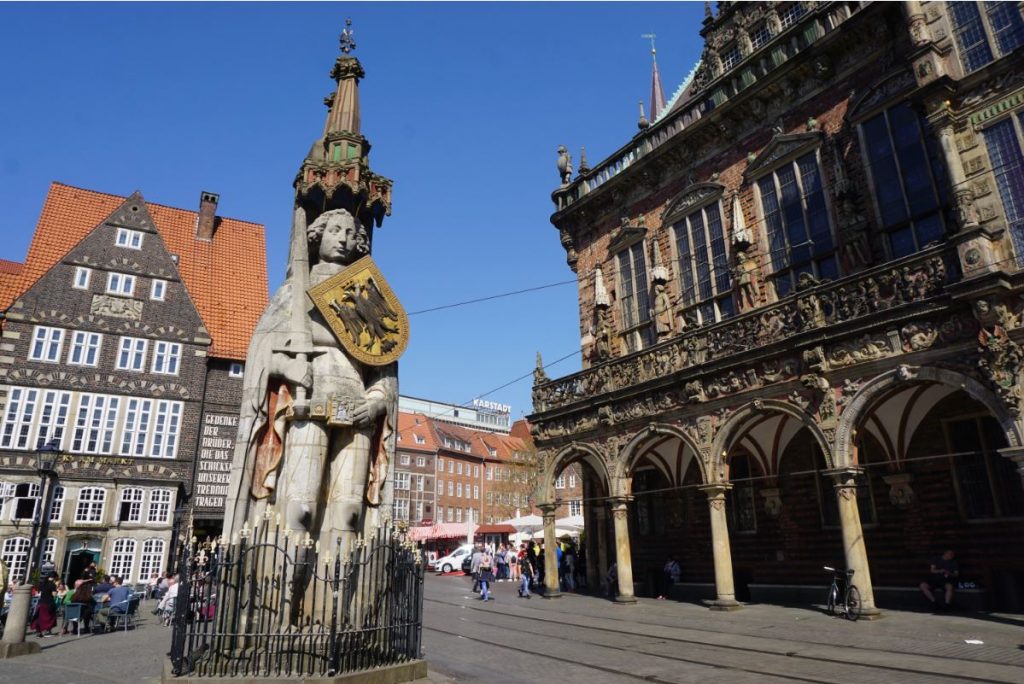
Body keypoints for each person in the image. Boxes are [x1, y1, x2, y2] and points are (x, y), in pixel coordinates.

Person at [223, 207, 401, 560]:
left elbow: (384, 366)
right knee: (299, 508)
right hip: (308, 400)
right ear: (318, 235)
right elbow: (260, 349)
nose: (343, 238)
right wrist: (285, 368)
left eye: (350, 233)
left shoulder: (366, 294)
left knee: (349, 513)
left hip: (357, 406)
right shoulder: (296, 288)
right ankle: (284, 596)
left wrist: (378, 401)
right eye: (335, 229)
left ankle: (338, 600)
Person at [31, 572, 58, 637]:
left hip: (41, 602)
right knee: (49, 617)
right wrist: (56, 592)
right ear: (54, 577)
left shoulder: (42, 583)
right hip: (49, 602)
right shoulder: (52, 584)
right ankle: (47, 632)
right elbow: (54, 594)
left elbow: (39, 592)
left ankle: (39, 632)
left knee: (40, 618)